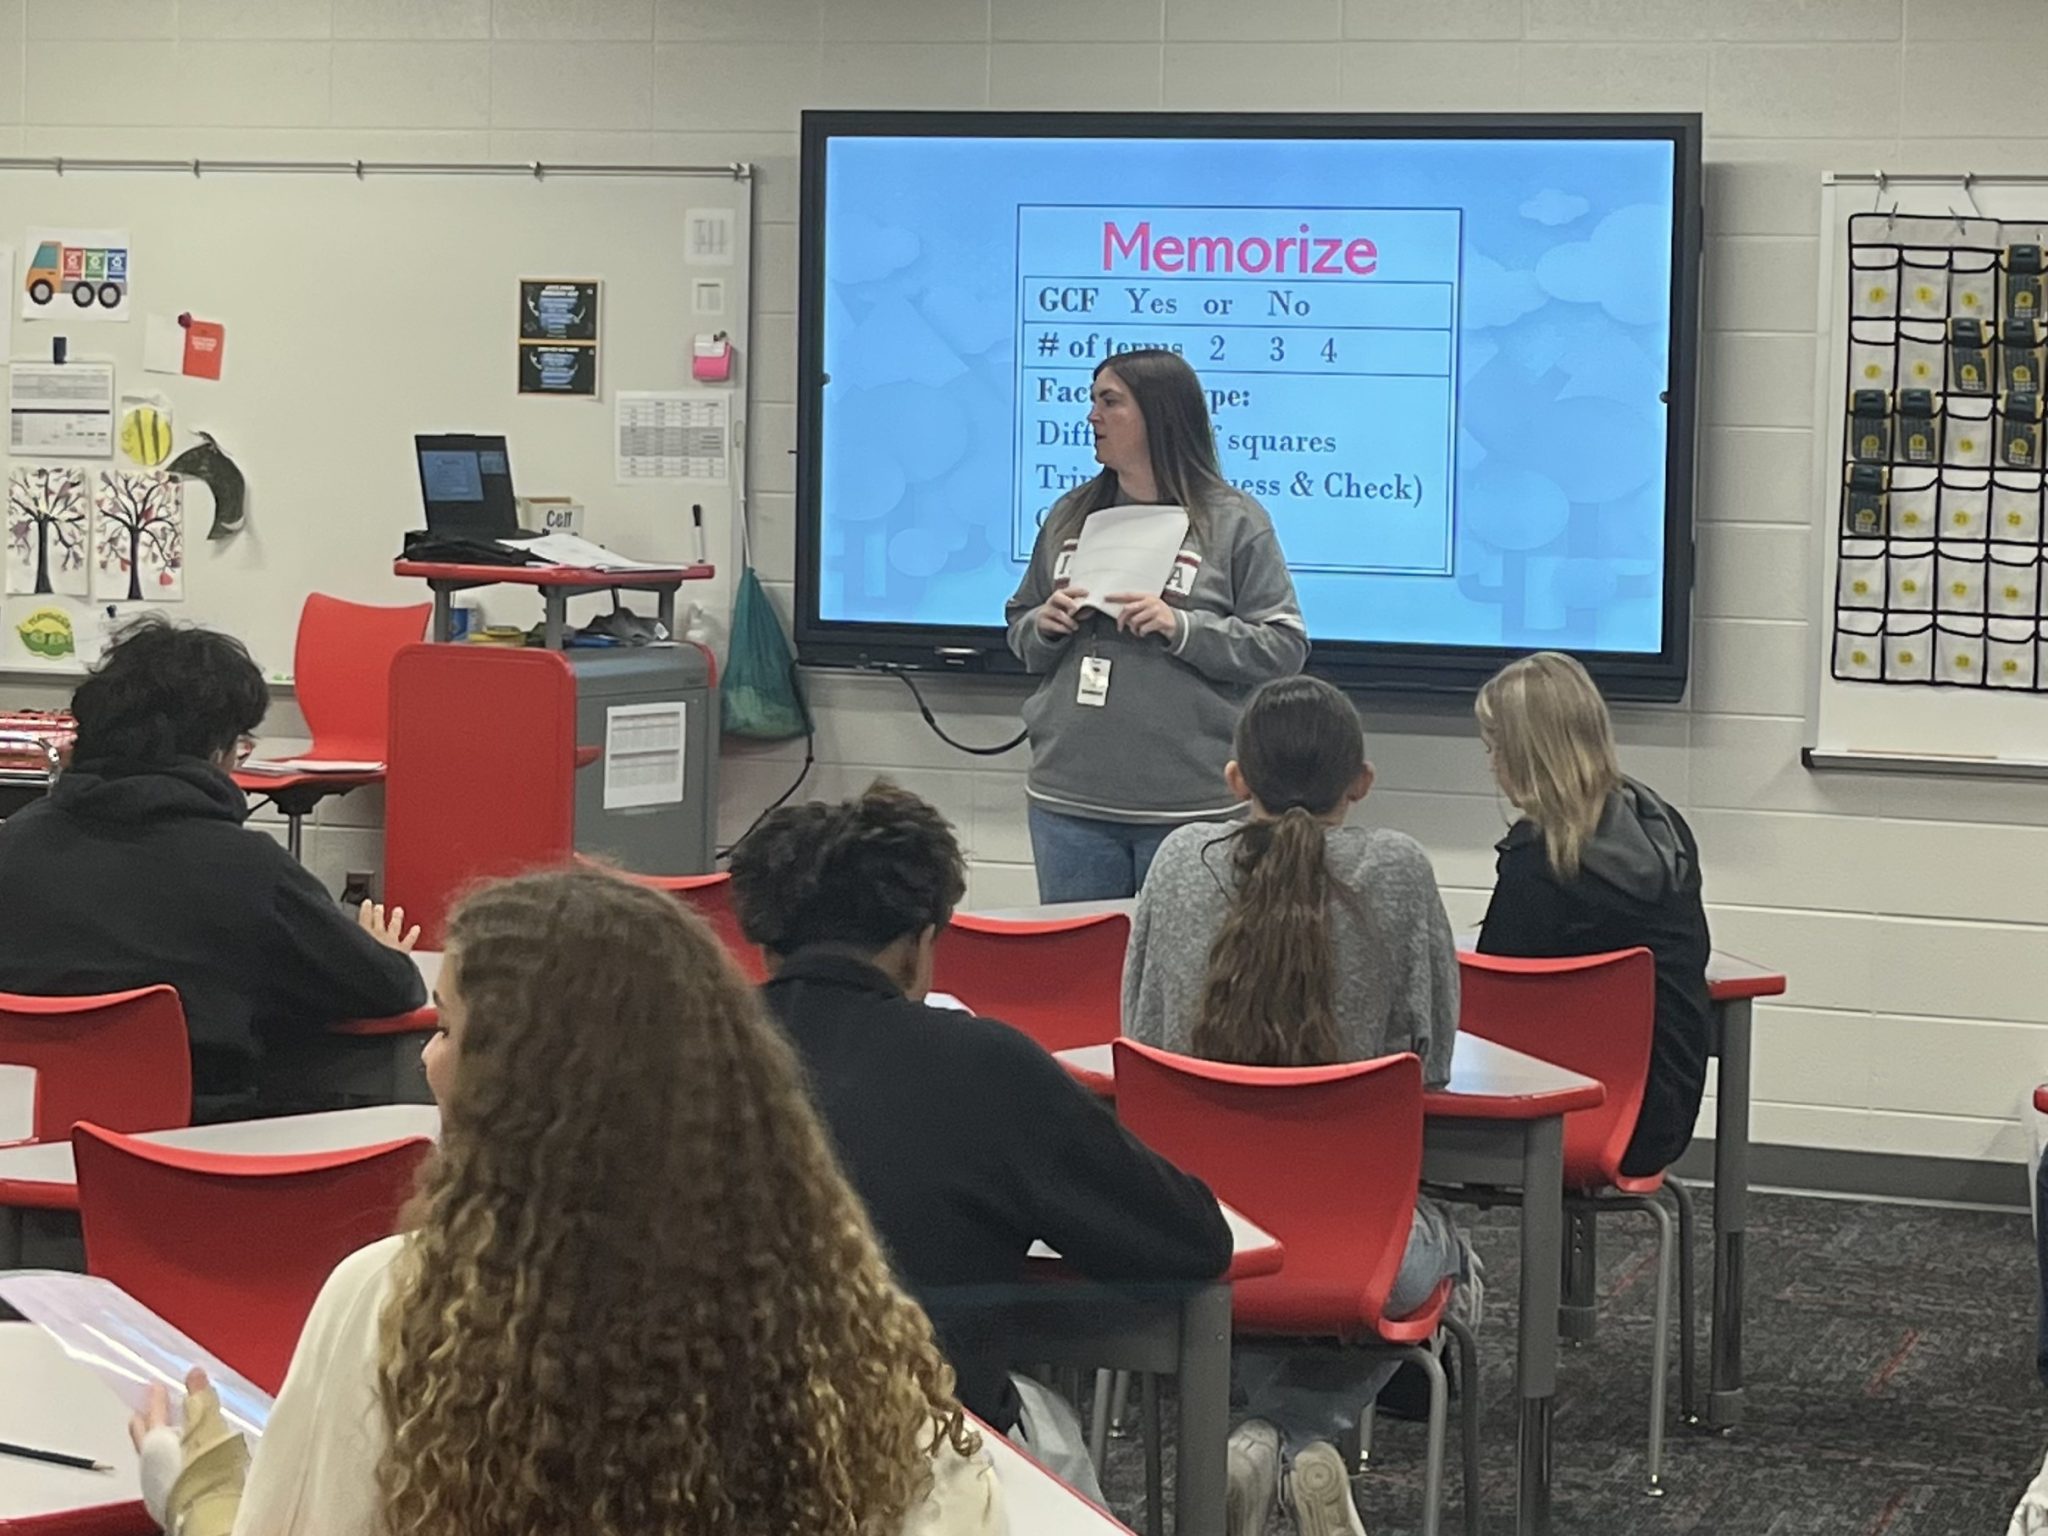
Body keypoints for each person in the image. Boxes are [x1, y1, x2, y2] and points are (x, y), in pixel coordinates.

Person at [132, 866, 1003, 1536]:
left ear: (518, 1088)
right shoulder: (833, 1320)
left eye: (445, 1031)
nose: (429, 1062)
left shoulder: (400, 1303)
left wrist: (198, 1488)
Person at [727, 780, 1233, 1497]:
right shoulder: (983, 1064)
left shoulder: (676, 1056)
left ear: (764, 939)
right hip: (912, 1453)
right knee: (1051, 1446)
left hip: (697, 1458)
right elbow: (1190, 1242)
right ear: (919, 945)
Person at [1122, 674, 1470, 1536]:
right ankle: (1287, 1436)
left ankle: (1255, 1440)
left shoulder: (1176, 863)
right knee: (1454, 1274)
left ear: (1237, 779)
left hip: (1198, 1229)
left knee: (1246, 1297)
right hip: (1356, 1245)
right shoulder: (1398, 868)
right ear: (1362, 781)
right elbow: (1432, 1057)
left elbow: (1141, 1031)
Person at [0, 617, 422, 1121]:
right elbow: (386, 991)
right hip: (189, 1162)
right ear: (216, 750)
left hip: (20, 1144)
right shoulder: (250, 870)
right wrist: (384, 953)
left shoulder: (14, 844)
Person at [1005, 347, 1308, 902]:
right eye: (1093, 401)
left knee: (1191, 979)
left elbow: (1283, 645)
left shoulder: (1234, 521)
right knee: (1083, 978)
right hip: (1068, 801)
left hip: (1191, 807)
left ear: (1159, 413)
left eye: (1110, 402)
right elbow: (1020, 624)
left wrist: (1183, 628)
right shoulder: (1071, 515)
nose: (1092, 416)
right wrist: (1042, 626)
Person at [1474, 649, 1712, 1178]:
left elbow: (1490, 1003)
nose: (1491, 763)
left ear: (1525, 753)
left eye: (1495, 747)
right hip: (1662, 1112)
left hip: (1560, 1121)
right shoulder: (1664, 829)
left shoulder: (1538, 861)